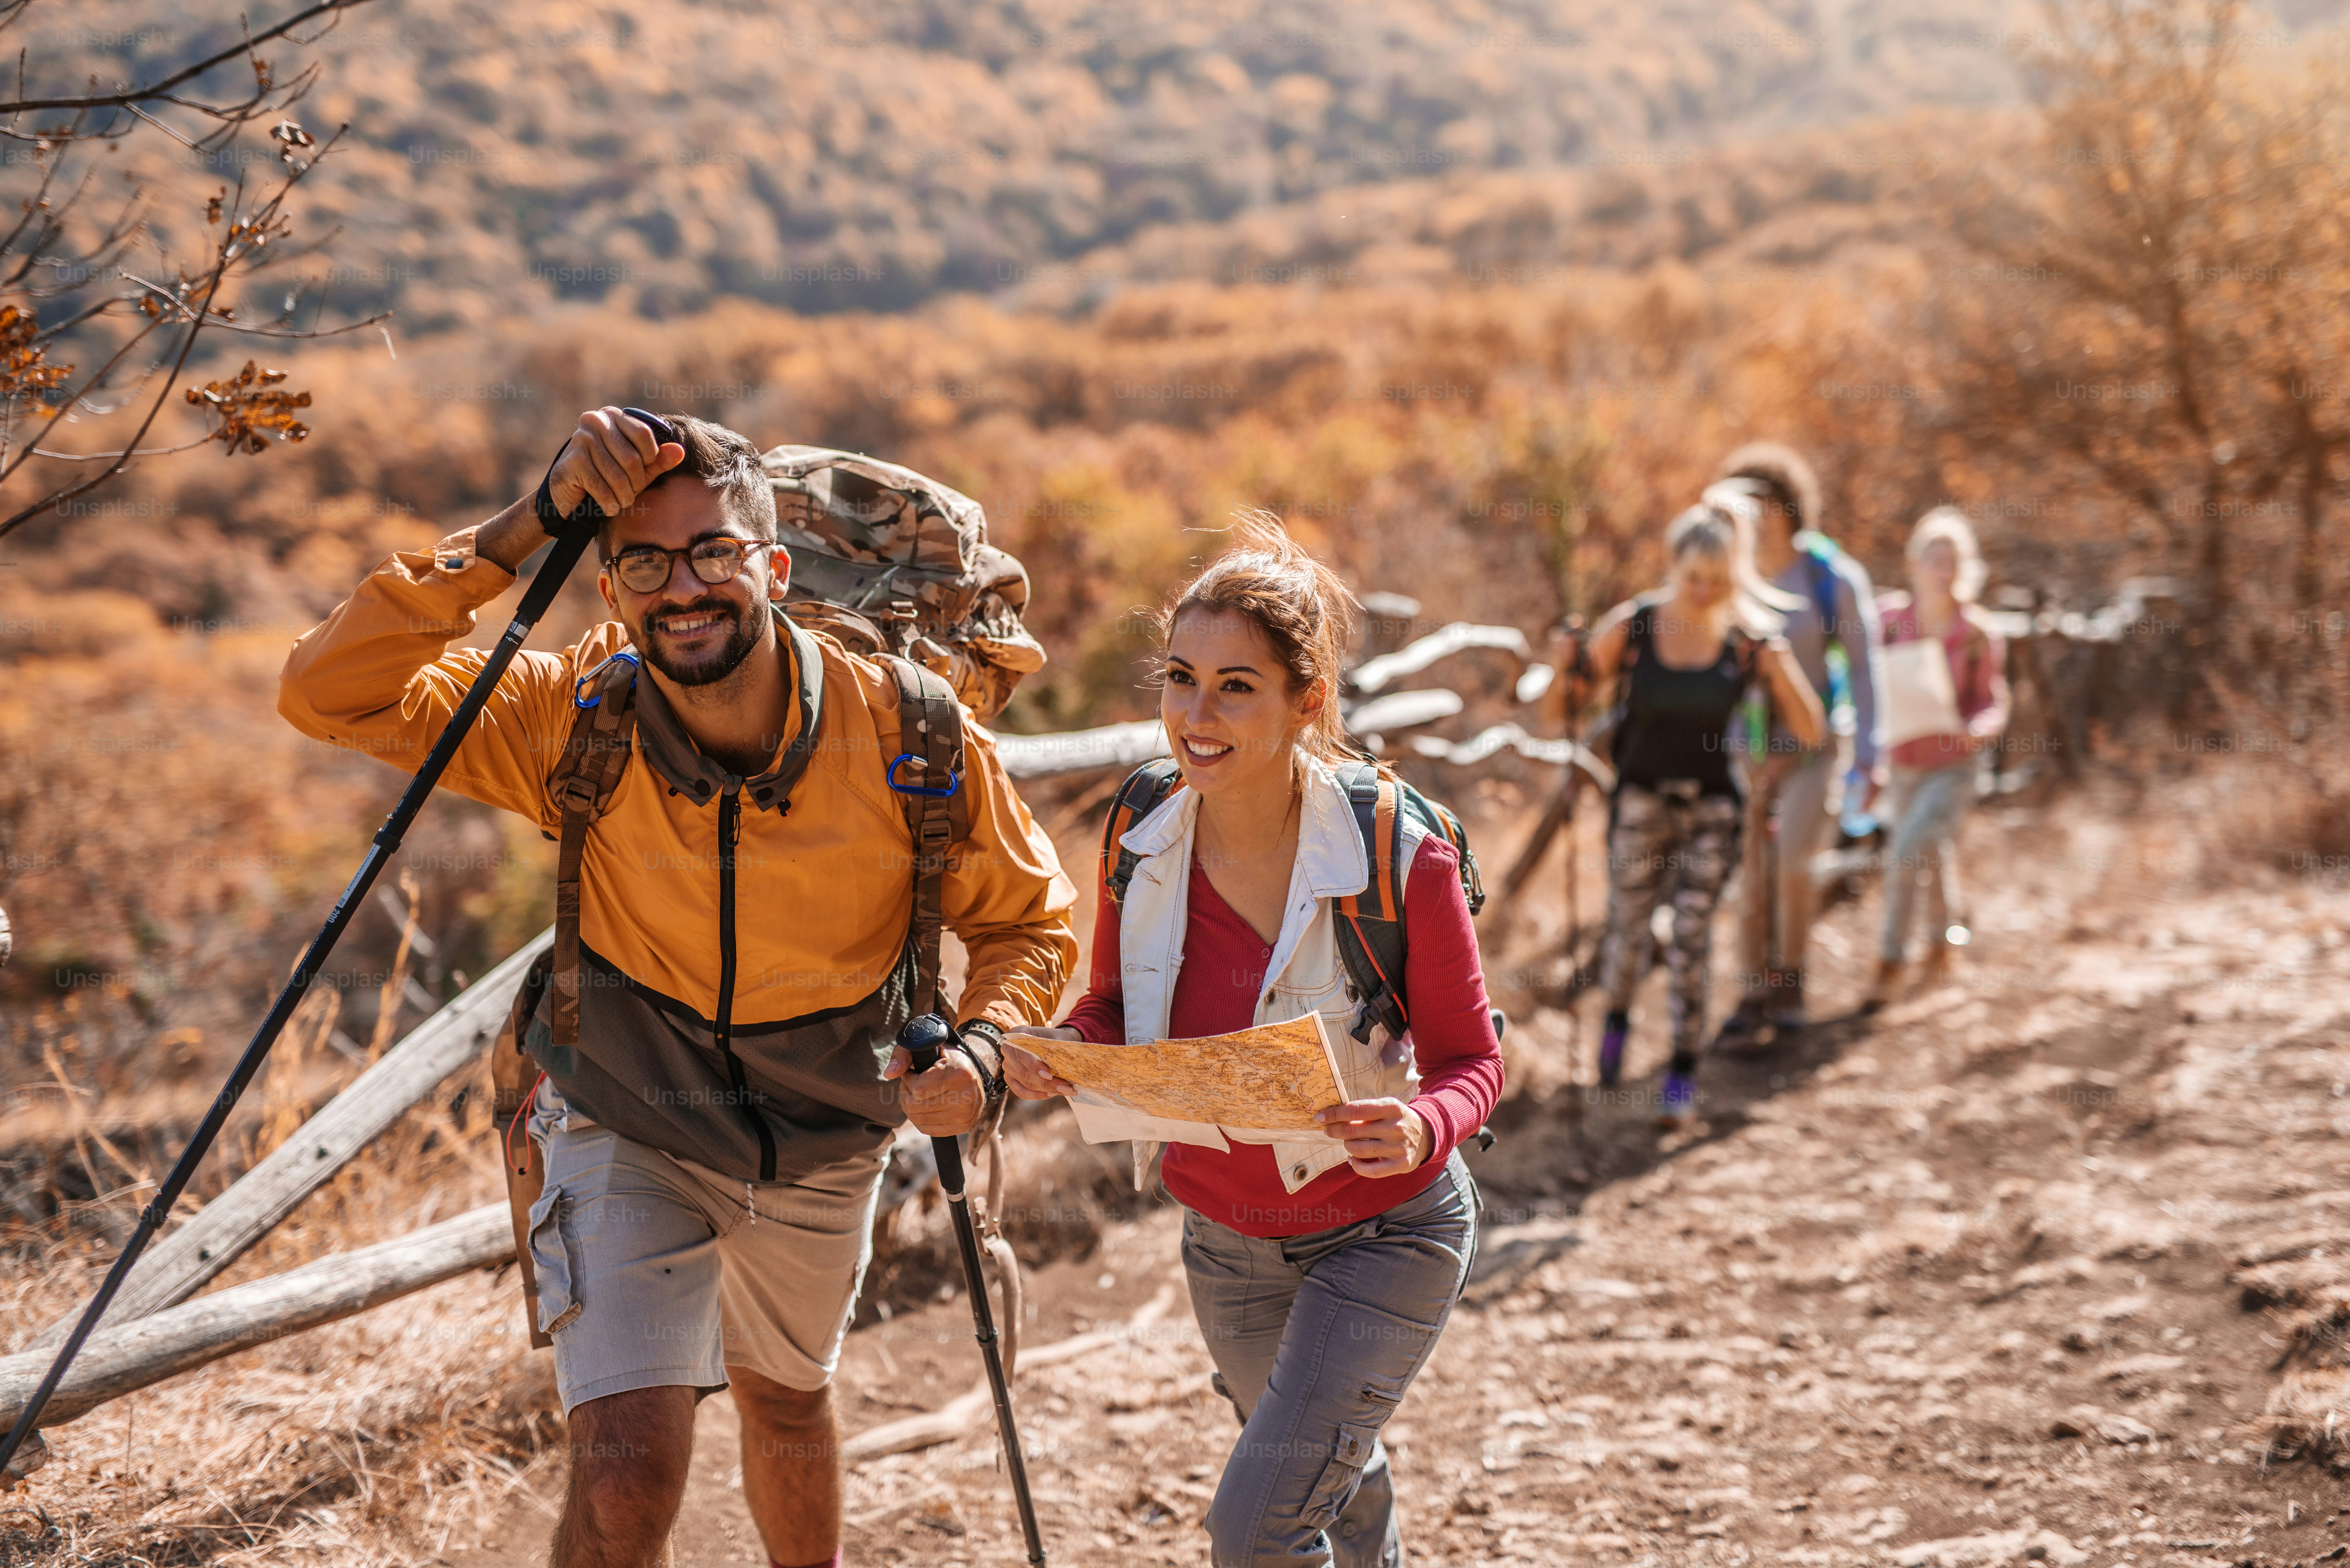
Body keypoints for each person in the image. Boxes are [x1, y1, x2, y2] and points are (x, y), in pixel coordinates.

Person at [279, 408, 1078, 1568]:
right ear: (611, 590)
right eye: (644, 561)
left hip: (826, 1125)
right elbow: (328, 690)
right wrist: (528, 522)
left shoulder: (908, 731)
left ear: (775, 566)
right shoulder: (574, 718)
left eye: (713, 551)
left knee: (787, 1405)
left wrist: (985, 1051)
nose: (682, 587)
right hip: (623, 1103)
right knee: (626, 1473)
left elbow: (1026, 921)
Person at [1004, 514, 1503, 1568]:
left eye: (1237, 686)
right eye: (1182, 677)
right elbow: (1114, 1010)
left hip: (1385, 1235)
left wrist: (1420, 1128)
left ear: (1306, 701)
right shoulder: (1140, 830)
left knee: (1257, 1529)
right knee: (1334, 1478)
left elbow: (1474, 1061)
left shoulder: (1392, 855)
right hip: (1224, 1248)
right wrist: (1065, 1051)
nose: (1196, 713)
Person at [1555, 484, 1825, 1127]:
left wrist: (1776, 696)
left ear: (1733, 576)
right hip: (1640, 802)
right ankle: (1613, 1037)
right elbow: (1565, 705)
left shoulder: (1746, 643)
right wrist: (1563, 662)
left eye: (1717, 579)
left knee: (1690, 937)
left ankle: (1680, 1072)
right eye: (1693, 576)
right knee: (1625, 931)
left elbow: (1811, 730)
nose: (1702, 590)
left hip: (1713, 809)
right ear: (1674, 565)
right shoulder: (1635, 625)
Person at [1709, 442, 1886, 1043]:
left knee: (1791, 868)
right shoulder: (1728, 572)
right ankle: (1750, 992)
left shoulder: (1829, 577)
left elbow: (1864, 666)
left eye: (1755, 505)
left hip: (1816, 745)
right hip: (1747, 749)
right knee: (1752, 875)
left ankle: (1791, 981)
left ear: (1784, 507)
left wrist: (1870, 752)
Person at [1863, 507, 2010, 1009]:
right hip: (1902, 761)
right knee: (1930, 855)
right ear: (1915, 563)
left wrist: (1977, 731)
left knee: (1906, 852)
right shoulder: (1887, 620)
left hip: (1953, 767)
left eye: (1951, 561)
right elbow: (1863, 681)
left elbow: (1993, 700)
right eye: (1934, 559)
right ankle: (1947, 947)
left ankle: (1891, 961)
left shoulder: (1977, 632)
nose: (1942, 570)